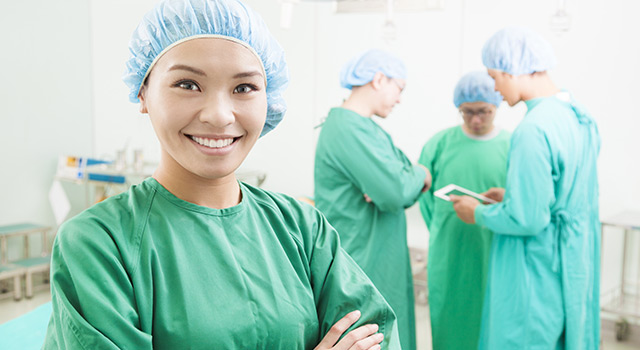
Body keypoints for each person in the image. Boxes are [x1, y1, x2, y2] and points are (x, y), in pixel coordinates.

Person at [43, 1, 402, 349]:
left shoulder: (302, 229)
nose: (219, 115)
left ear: (269, 97)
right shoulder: (98, 244)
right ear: (143, 92)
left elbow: (374, 335)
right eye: (187, 84)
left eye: (244, 88)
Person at [450, 27, 601, 349]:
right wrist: (516, 194)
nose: (494, 87)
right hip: (574, 257)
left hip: (536, 264)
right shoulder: (577, 115)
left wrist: (476, 213)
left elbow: (528, 219)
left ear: (511, 69)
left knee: (527, 338)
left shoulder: (533, 129)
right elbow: (566, 192)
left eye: (495, 76)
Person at [314, 49, 432, 350]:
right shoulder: (346, 127)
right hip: (362, 262)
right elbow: (396, 190)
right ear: (379, 79)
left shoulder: (366, 129)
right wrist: (416, 175)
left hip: (381, 256)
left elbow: (397, 185)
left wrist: (404, 179)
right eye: (399, 88)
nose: (400, 98)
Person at [418, 71, 510, 350]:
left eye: (484, 111)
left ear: (497, 105)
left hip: (495, 251)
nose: (476, 119)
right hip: (449, 252)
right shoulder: (440, 144)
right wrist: (443, 228)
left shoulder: (511, 146)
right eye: (467, 112)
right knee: (449, 318)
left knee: (491, 321)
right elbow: (425, 198)